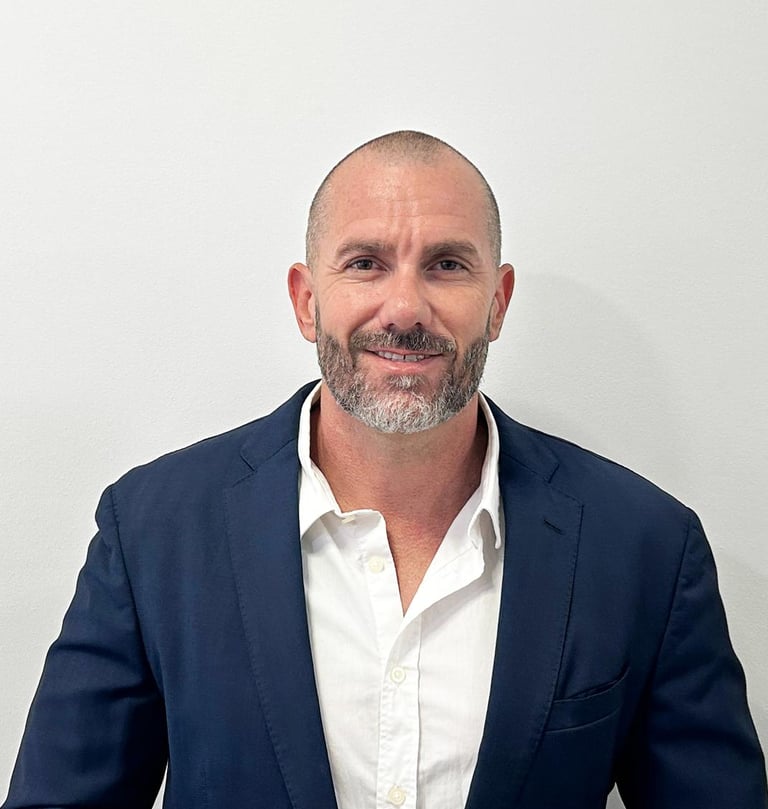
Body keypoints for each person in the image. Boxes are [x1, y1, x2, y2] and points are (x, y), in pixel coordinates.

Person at [2, 130, 766, 809]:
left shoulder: (644, 547)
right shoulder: (152, 530)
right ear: (307, 300)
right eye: (365, 263)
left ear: (497, 302)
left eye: (447, 265)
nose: (405, 307)